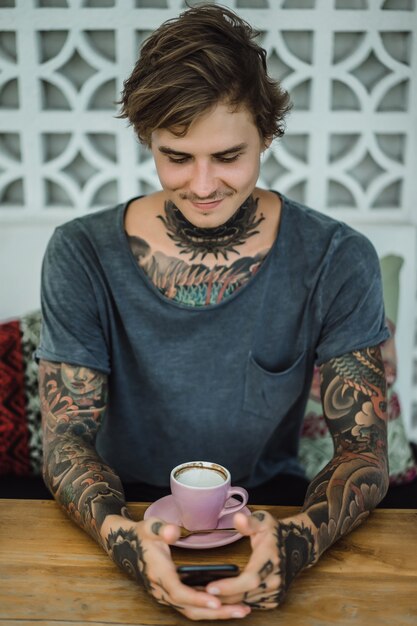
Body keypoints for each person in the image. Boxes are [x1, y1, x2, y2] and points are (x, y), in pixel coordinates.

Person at [36, 3, 390, 621]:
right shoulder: (80, 251)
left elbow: (363, 452)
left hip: (268, 509)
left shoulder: (338, 258)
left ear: (267, 136)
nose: (202, 185)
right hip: (120, 508)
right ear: (149, 140)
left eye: (228, 157)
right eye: (177, 157)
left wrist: (296, 541)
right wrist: (125, 541)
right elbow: (65, 440)